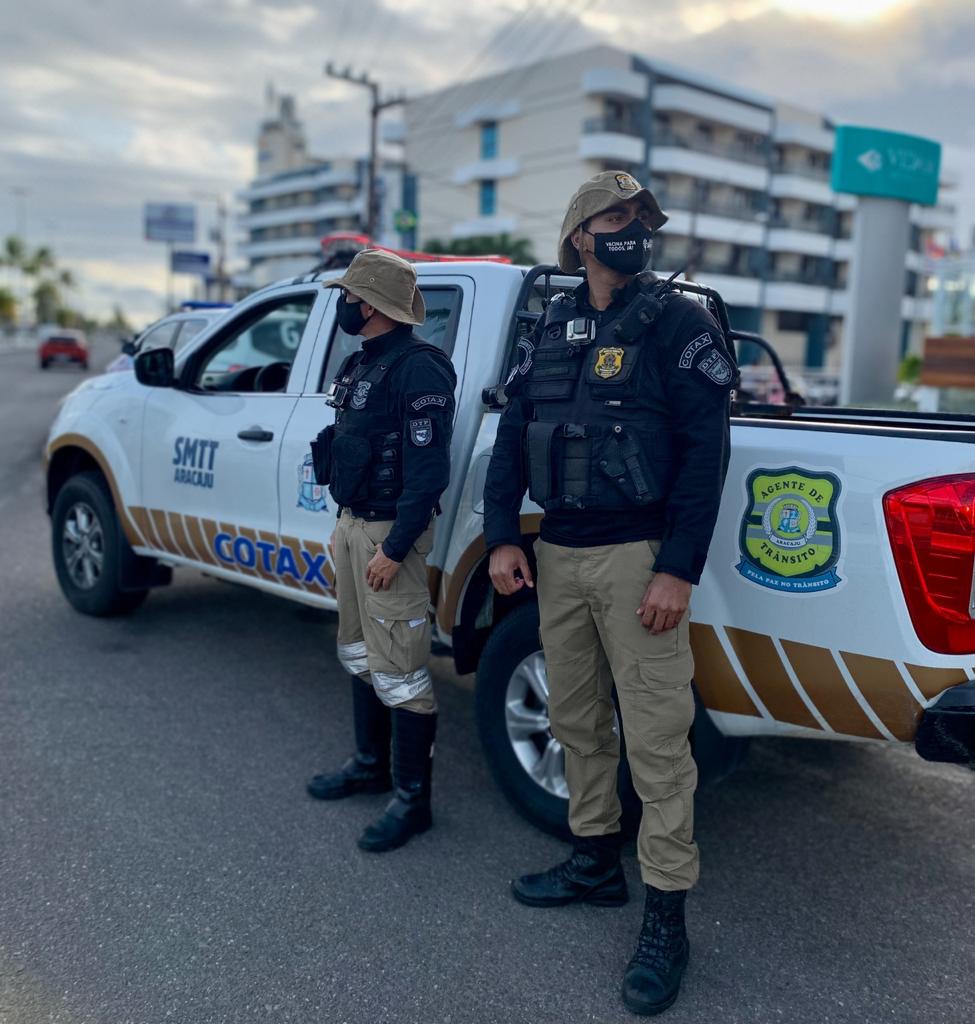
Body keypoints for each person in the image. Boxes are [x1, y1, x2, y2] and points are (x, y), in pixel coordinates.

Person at [483, 171, 734, 1016]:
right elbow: (514, 433)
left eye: (641, 218)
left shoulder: (678, 322)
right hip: (557, 552)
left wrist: (678, 569)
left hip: (638, 556)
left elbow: (704, 454)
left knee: (657, 743)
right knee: (576, 720)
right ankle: (594, 862)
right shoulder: (551, 324)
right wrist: (501, 535)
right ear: (580, 235)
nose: (634, 228)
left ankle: (666, 917)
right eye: (617, 216)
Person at [307, 248, 456, 854]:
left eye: (348, 296)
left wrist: (394, 549)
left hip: (390, 535)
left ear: (367, 304)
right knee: (359, 651)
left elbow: (428, 473)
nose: (343, 305)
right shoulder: (362, 362)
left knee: (402, 669)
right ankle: (370, 766)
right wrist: (342, 527)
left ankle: (412, 802)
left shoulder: (421, 369)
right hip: (354, 526)